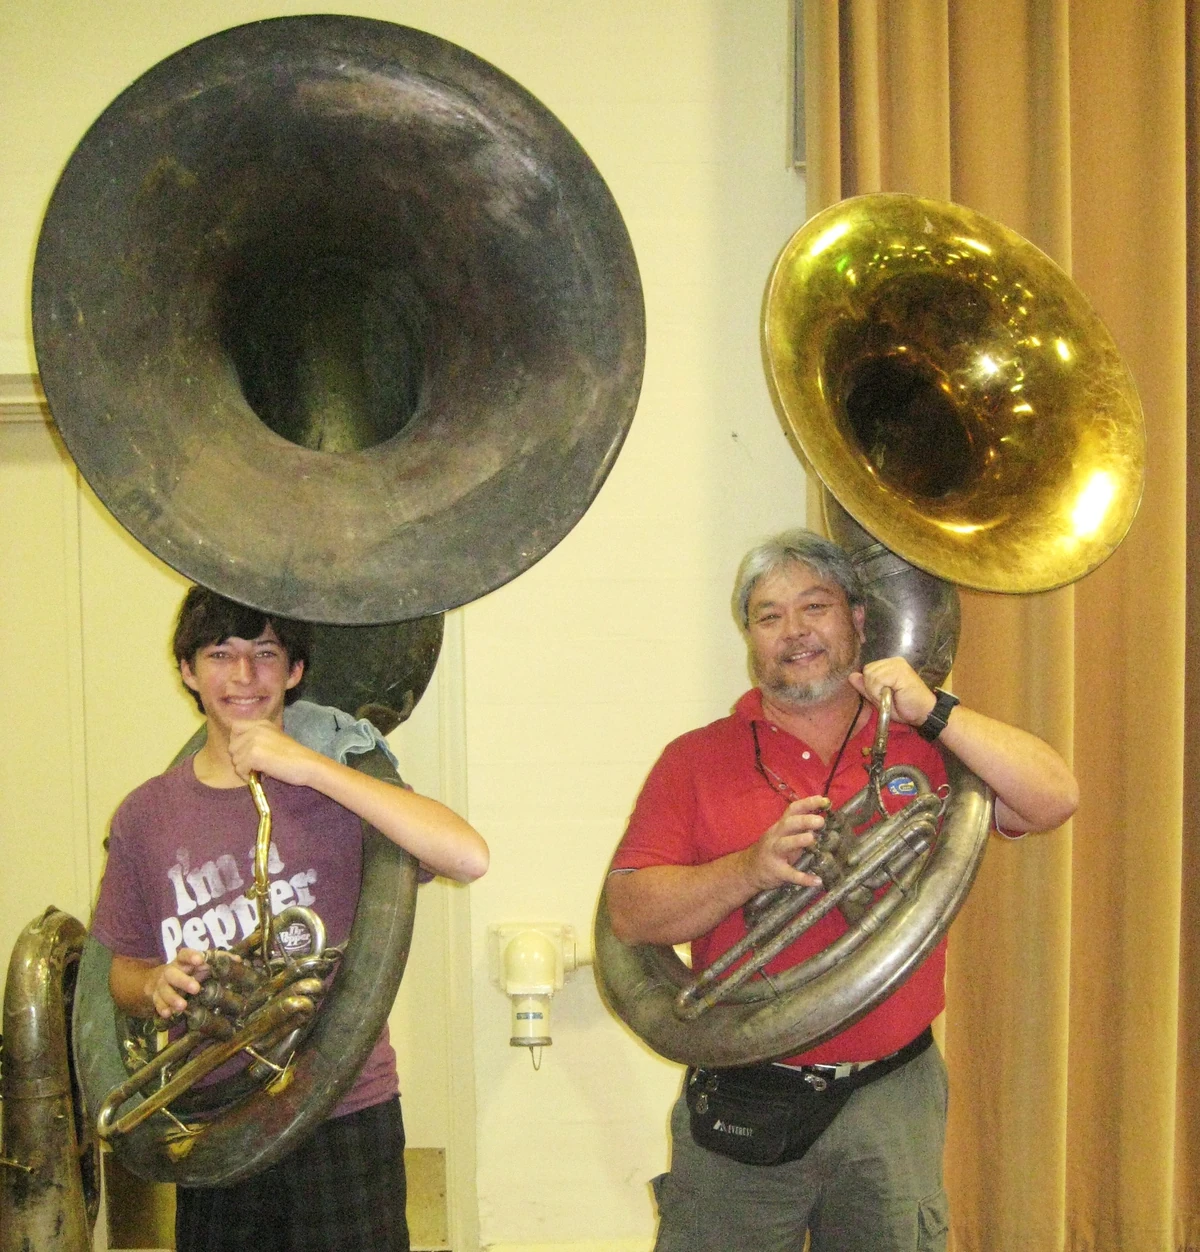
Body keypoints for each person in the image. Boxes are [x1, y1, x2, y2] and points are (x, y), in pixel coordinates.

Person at [605, 529, 1077, 1252]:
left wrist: (936, 709)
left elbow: (1053, 798)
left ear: (859, 619)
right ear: (750, 638)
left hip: (891, 1094)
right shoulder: (695, 759)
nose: (794, 633)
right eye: (769, 616)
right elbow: (632, 915)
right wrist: (750, 869)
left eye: (814, 607)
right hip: (744, 1087)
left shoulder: (927, 744)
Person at [91, 585, 489, 1252]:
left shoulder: (336, 788)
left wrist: (311, 767)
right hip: (214, 1118)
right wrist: (156, 983)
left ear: (296, 672)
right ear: (187, 670)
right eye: (220, 653)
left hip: (344, 1108)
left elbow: (468, 855)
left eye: (265, 653)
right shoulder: (145, 815)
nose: (243, 676)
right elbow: (122, 971)